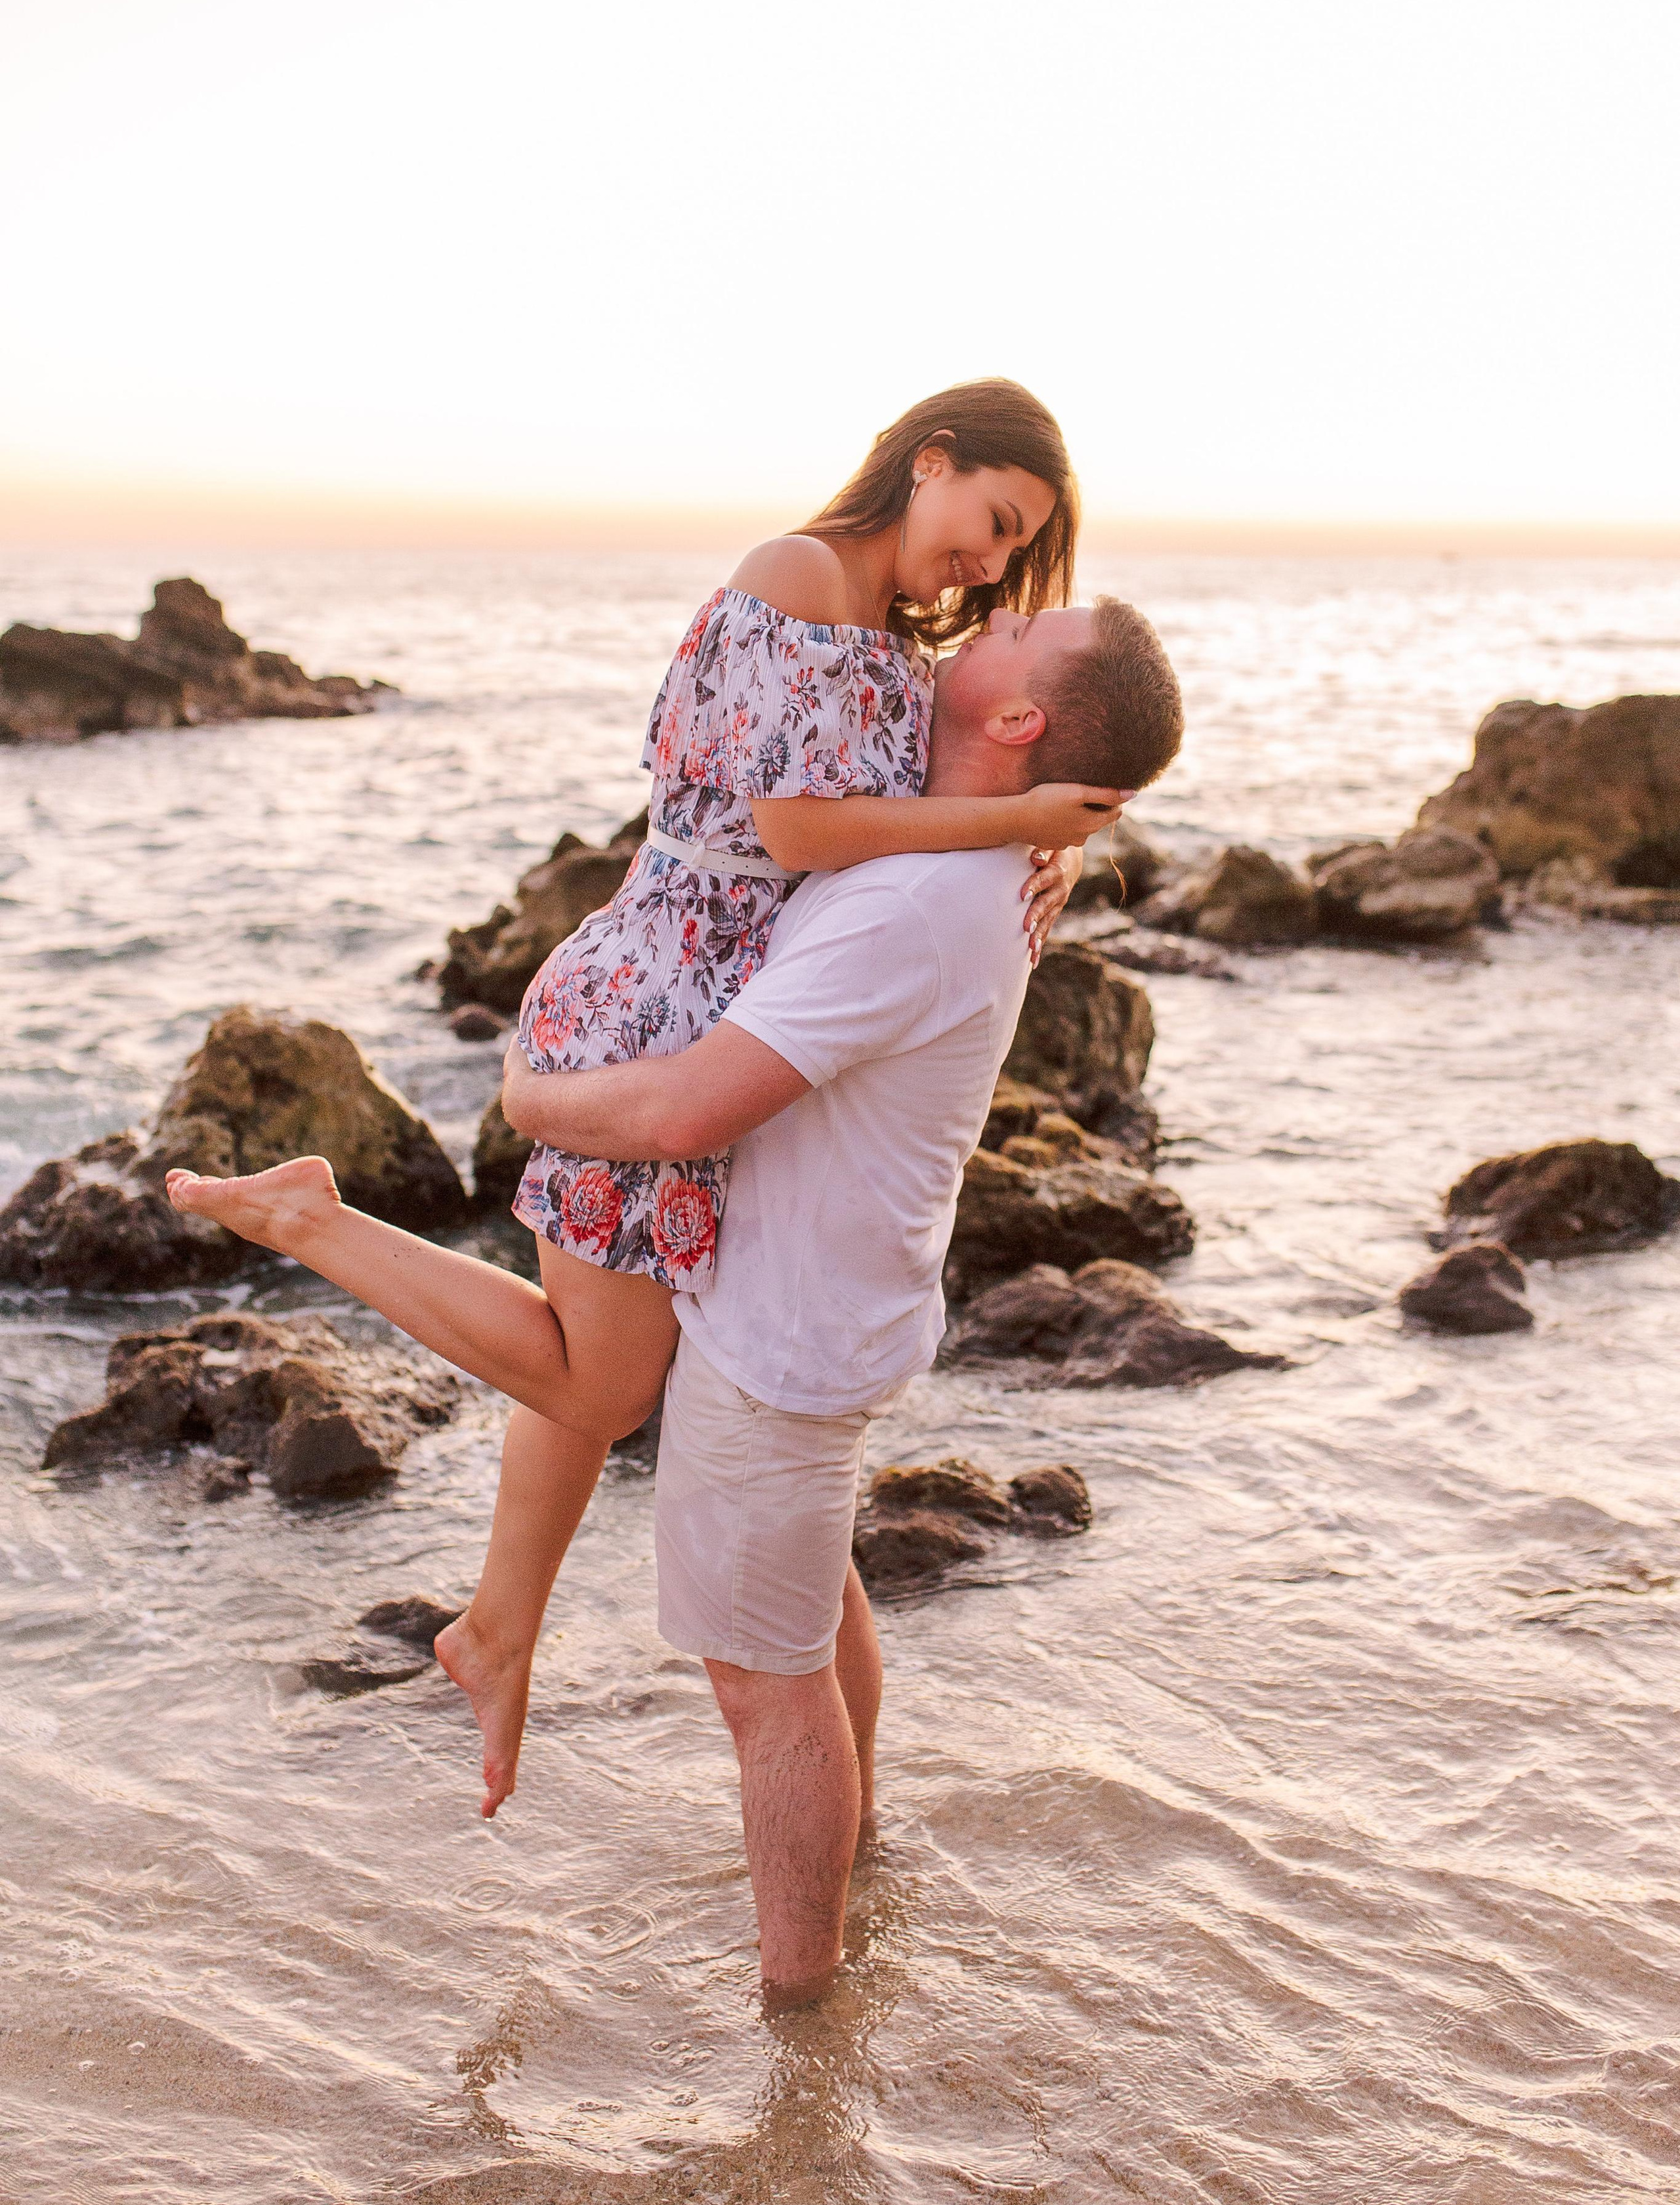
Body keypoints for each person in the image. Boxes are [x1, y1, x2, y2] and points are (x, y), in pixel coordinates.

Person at [166, 591, 1185, 2003]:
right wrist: (1054, 830)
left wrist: (524, 1093)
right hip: (830, 1302)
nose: (991, 614)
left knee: (762, 1692)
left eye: (1022, 628)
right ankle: (856, 1881)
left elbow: (692, 1107)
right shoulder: (959, 852)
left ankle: (800, 2035)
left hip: (782, 1333)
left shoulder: (916, 901)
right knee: (813, 1617)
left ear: (1016, 720)